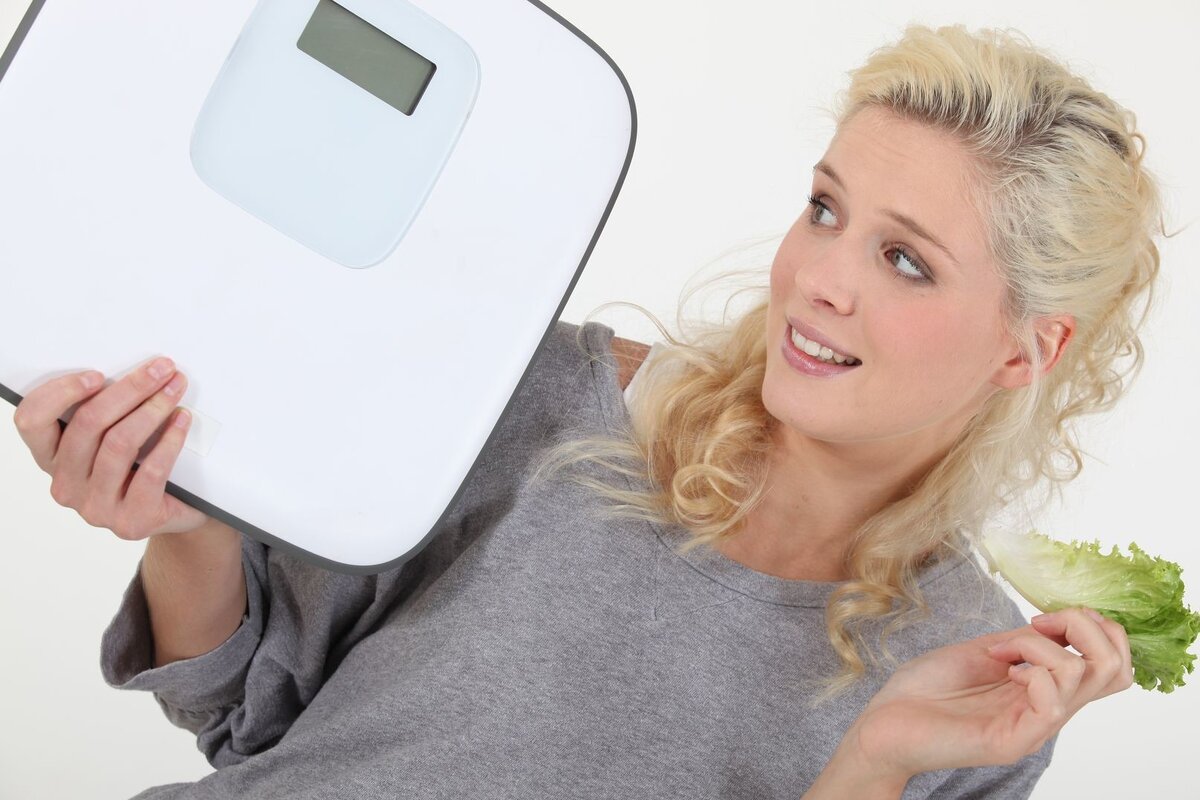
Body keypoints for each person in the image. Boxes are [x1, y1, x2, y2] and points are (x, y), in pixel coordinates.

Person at [12, 23, 1164, 800]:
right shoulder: (557, 397)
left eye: (905, 260)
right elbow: (248, 717)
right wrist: (188, 519)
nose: (821, 276)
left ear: (1028, 347)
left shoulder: (981, 679)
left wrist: (876, 759)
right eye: (825, 208)